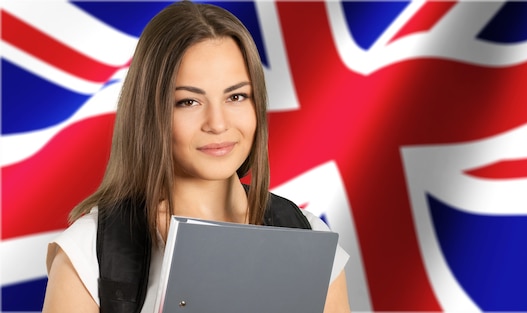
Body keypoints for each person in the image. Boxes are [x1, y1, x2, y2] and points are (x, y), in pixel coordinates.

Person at [41, 2, 350, 312]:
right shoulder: (89, 252)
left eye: (236, 96)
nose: (217, 123)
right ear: (150, 112)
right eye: (188, 101)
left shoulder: (309, 237)